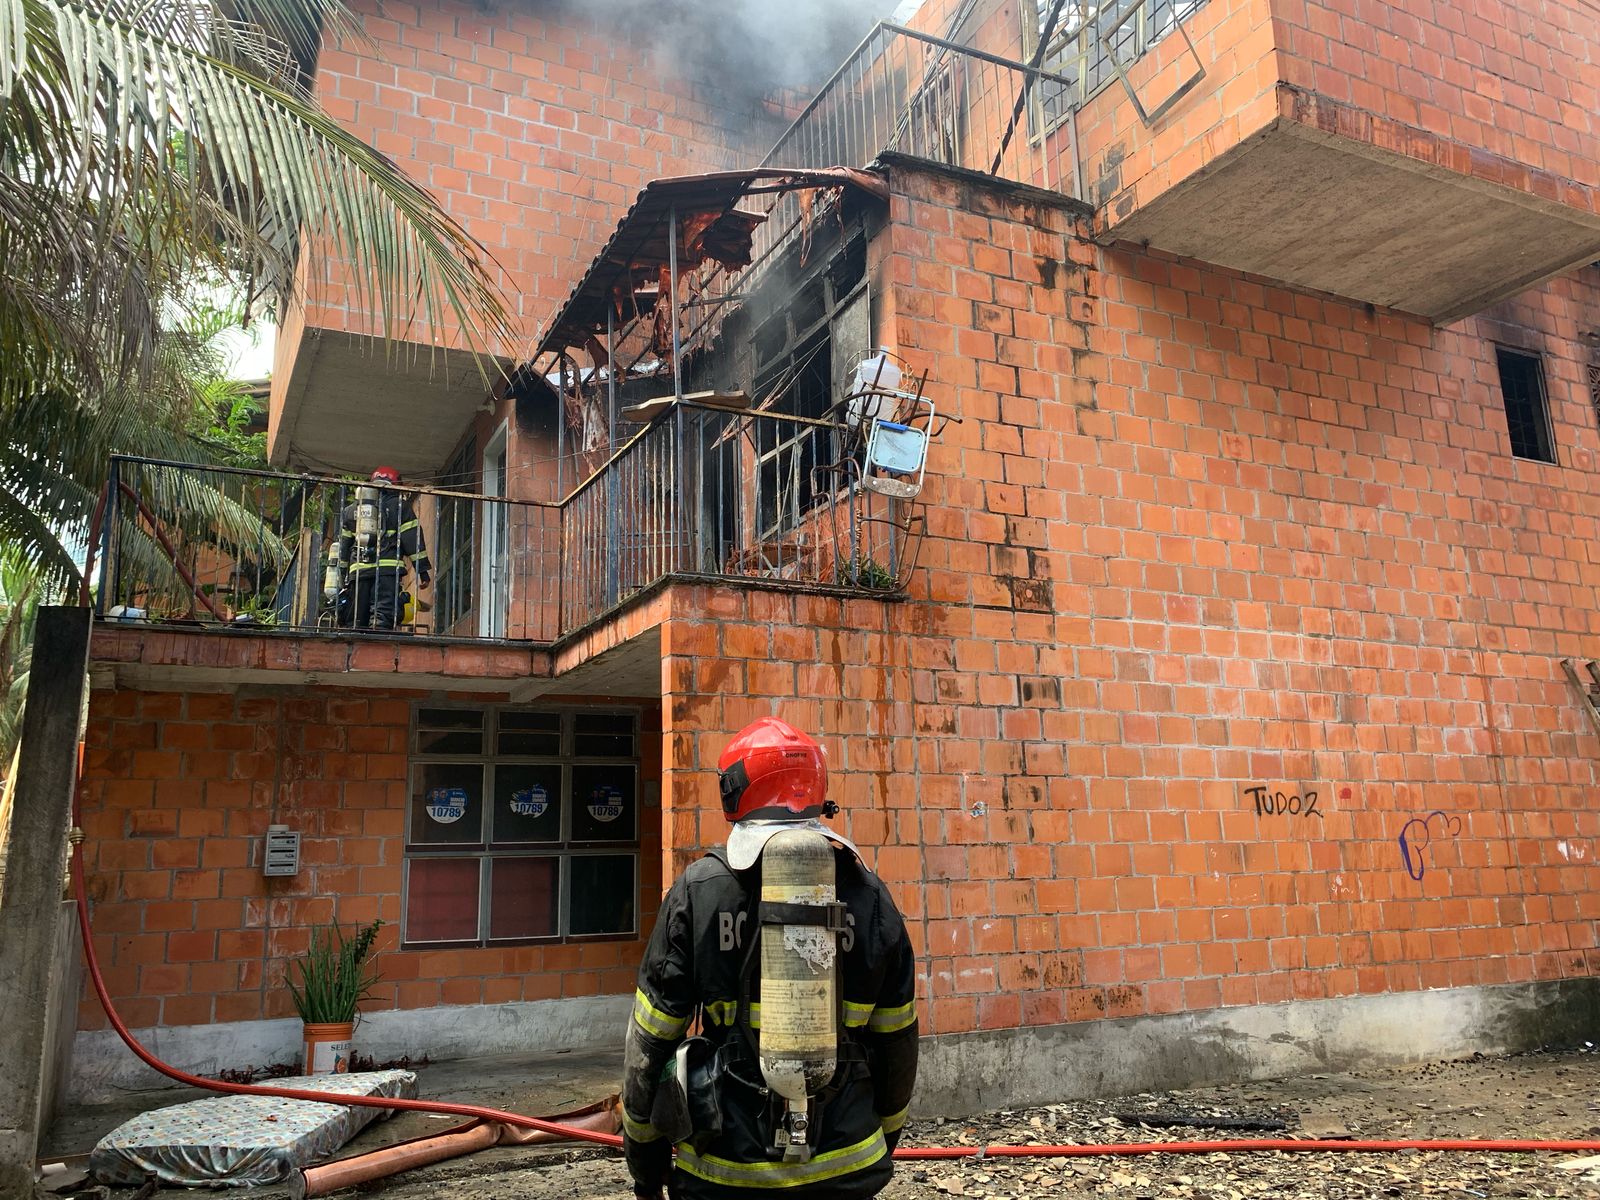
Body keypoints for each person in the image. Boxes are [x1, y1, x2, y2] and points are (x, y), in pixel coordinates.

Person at [622, 717, 919, 1200]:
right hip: (847, 1166)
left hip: (726, 1169)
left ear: (735, 790)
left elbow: (650, 1041)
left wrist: (645, 1157)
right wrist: (882, 1138)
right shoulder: (870, 896)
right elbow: (898, 1043)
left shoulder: (698, 892)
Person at [335, 466, 432, 631]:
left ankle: (355, 639)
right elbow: (413, 540)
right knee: (383, 613)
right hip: (388, 568)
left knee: (357, 613)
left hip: (358, 570)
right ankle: (379, 639)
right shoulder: (400, 507)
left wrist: (342, 575)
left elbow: (344, 547)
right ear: (395, 484)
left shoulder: (351, 511)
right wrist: (422, 571)